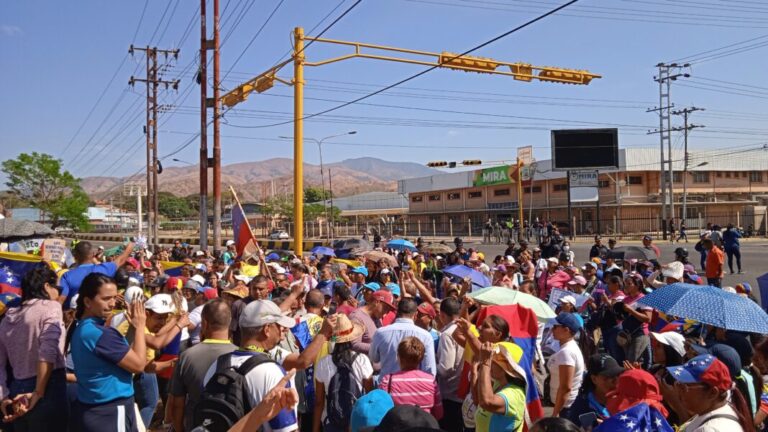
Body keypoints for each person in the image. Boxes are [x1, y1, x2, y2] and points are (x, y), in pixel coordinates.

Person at [201, 300, 299, 432]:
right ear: (267, 329)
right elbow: (287, 429)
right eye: (278, 325)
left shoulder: (217, 364)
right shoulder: (272, 371)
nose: (282, 329)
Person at [67, 273, 148, 432]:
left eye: (114, 298)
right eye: (105, 299)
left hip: (95, 409)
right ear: (87, 301)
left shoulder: (83, 327)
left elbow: (123, 355)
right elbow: (138, 365)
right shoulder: (98, 333)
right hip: (109, 411)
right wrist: (140, 326)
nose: (112, 304)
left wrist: (132, 328)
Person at [0, 265, 67, 431]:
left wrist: (3, 397)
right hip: (47, 385)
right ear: (46, 286)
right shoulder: (50, 307)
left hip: (16, 388)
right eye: (57, 288)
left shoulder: (7, 318)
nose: (59, 293)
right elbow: (48, 351)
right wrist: (38, 392)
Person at [168, 299, 236, 432]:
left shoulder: (187, 356)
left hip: (196, 425)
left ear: (204, 323)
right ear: (229, 323)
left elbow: (177, 404)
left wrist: (179, 429)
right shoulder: (240, 356)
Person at [313, 314, 374, 432]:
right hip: (356, 422)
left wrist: (315, 429)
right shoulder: (362, 360)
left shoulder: (323, 363)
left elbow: (319, 402)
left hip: (330, 421)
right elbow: (369, 395)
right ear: (352, 336)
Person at [667, 354, 754, 432]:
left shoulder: (710, 429)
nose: (677, 390)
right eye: (678, 383)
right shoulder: (708, 412)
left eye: (684, 387)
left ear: (712, 393)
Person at [370, 298, 437, 377]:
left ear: (397, 312)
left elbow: (374, 358)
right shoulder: (426, 336)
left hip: (387, 385)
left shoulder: (380, 333)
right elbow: (430, 369)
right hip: (413, 386)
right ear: (416, 314)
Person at [379, 337, 442, 419]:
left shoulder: (387, 381)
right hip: (424, 426)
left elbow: (381, 411)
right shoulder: (431, 381)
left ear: (398, 357)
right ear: (421, 358)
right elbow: (439, 414)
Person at [60, 241, 135, 308]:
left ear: (75, 256)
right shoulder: (105, 269)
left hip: (73, 317)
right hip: (97, 317)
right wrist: (130, 246)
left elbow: (60, 301)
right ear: (93, 254)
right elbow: (121, 259)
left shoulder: (67, 276)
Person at [473, 341, 527, 432]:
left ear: (506, 367)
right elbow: (479, 398)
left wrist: (485, 363)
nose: (490, 364)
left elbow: (487, 402)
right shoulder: (499, 383)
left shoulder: (515, 394)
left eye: (492, 361)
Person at [565, 354, 624, 426]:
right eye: (607, 377)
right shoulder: (582, 408)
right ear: (594, 379)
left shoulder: (625, 398)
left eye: (617, 375)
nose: (614, 381)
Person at [548, 312, 585, 419]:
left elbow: (565, 388)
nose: (552, 330)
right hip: (565, 406)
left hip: (565, 408)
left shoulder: (567, 352)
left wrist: (555, 414)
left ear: (566, 330)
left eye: (555, 327)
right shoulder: (568, 348)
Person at [435, 297, 464, 432]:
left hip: (450, 394)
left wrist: (432, 366)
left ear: (442, 315)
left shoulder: (447, 334)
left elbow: (446, 368)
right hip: (462, 390)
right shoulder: (465, 329)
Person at [349, 290, 395, 357]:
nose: (387, 312)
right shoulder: (357, 317)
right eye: (386, 308)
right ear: (377, 302)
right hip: (363, 365)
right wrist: (379, 348)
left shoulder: (377, 317)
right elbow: (354, 344)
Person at [620, 273, 653, 368]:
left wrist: (631, 310)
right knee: (630, 361)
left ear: (637, 285)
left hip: (640, 333)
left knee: (631, 362)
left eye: (629, 283)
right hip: (627, 335)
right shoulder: (626, 299)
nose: (626, 285)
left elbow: (648, 318)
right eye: (625, 283)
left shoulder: (644, 299)